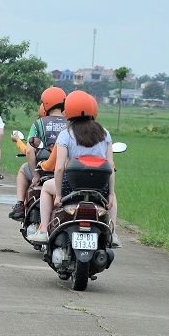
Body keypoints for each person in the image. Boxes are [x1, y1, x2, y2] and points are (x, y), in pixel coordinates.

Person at [28, 90, 120, 247]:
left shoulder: (66, 134)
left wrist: (58, 195)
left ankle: (43, 231)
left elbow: (58, 168)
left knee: (44, 189)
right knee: (114, 197)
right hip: (100, 187)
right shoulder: (104, 133)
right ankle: (113, 232)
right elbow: (110, 167)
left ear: (68, 109)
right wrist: (110, 194)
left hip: (70, 186)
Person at [9, 86, 68, 220]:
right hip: (66, 171)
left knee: (23, 171)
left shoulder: (39, 124)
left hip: (44, 170)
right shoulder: (71, 124)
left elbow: (29, 150)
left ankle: (19, 205)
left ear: (46, 104)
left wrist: (35, 175)